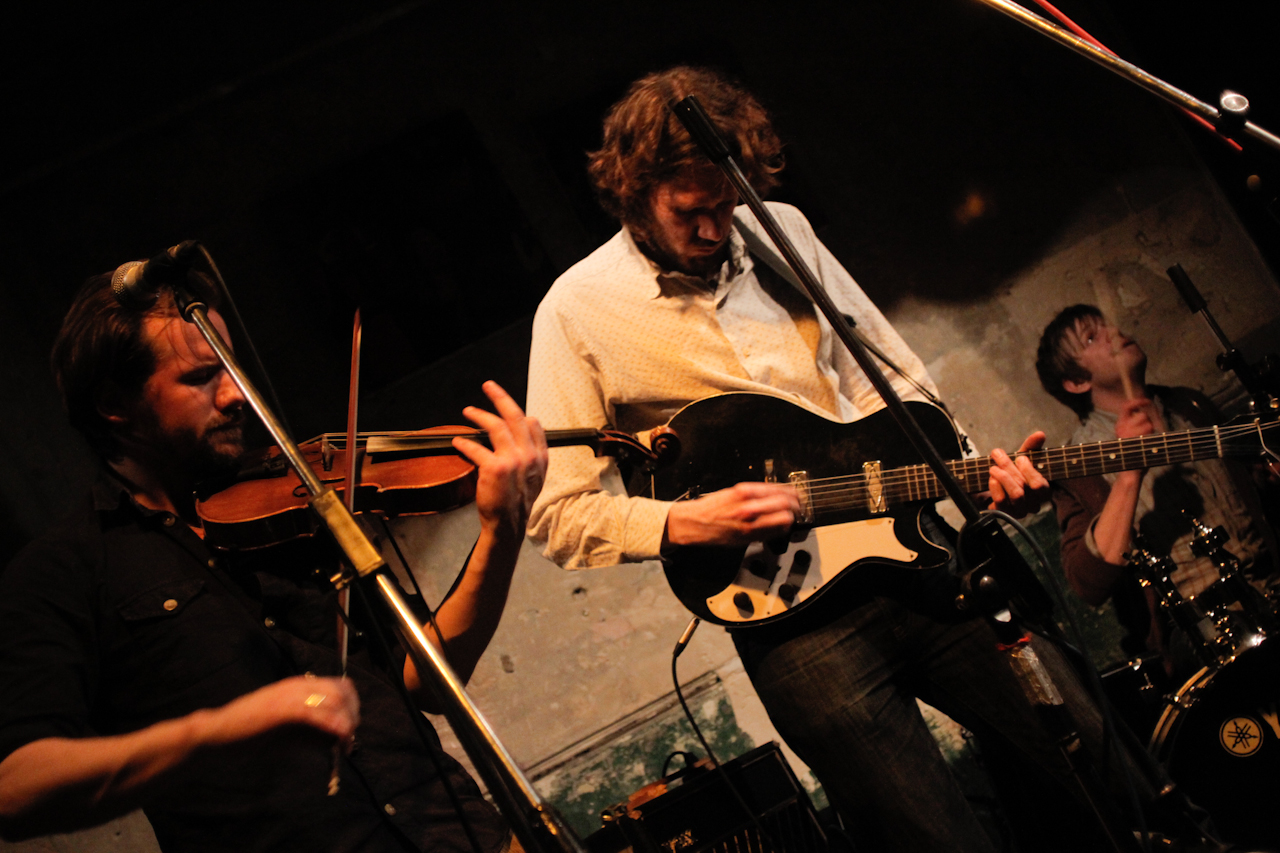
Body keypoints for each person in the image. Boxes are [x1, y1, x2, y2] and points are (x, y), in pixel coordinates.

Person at [525, 66, 1117, 853]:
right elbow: (556, 511)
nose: (713, 230)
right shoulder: (575, 309)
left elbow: (891, 378)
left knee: (1086, 752)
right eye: (688, 213)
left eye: (725, 204)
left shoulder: (784, 232)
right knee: (935, 836)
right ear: (634, 192)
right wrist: (679, 522)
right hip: (794, 624)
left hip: (918, 555)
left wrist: (972, 472)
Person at [0, 270, 548, 853]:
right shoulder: (63, 573)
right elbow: (15, 786)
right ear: (115, 404)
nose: (237, 395)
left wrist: (502, 527)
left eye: (232, 370)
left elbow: (427, 684)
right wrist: (215, 732)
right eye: (201, 377)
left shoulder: (295, 499)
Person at [1036, 303, 1278, 670]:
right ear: (1076, 382)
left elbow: (1248, 496)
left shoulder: (1187, 403)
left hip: (1269, 586)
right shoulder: (1077, 465)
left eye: (1107, 324)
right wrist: (1130, 472)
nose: (1114, 333)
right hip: (1204, 634)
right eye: (1091, 336)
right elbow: (1087, 584)